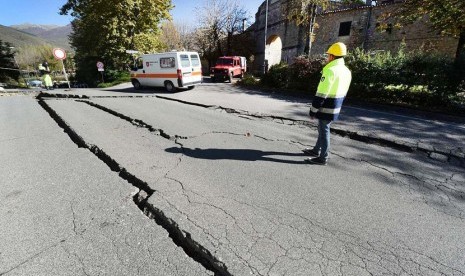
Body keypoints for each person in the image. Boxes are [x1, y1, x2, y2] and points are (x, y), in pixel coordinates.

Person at [303, 42, 352, 165]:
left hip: (326, 106)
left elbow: (322, 93)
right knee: (322, 128)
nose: (327, 57)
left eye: (328, 55)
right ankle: (315, 150)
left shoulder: (330, 70)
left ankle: (322, 158)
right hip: (336, 105)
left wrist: (313, 110)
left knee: (324, 130)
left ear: (332, 56)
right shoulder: (346, 71)